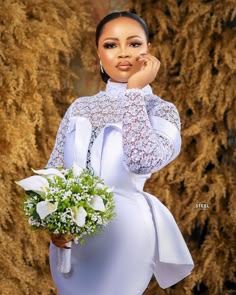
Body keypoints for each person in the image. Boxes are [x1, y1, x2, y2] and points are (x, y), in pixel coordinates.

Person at [47, 11, 194, 295]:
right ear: (98, 53)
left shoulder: (161, 110)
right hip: (72, 241)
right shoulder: (80, 107)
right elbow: (54, 170)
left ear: (148, 51)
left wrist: (135, 91)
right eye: (111, 45)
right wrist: (54, 222)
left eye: (134, 44)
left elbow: (142, 160)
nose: (124, 53)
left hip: (126, 234)